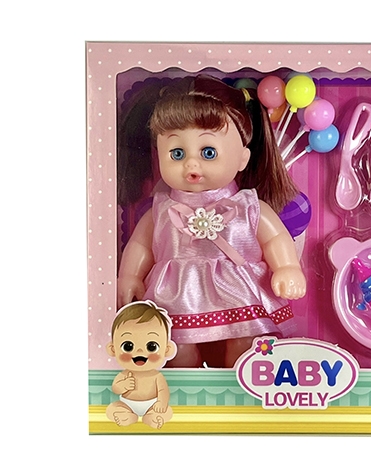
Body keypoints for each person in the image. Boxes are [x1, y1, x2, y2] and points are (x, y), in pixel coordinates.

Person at [116, 75, 306, 368]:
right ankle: (184, 389)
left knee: (247, 341)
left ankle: (242, 383)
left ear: (242, 158)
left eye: (208, 152)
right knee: (174, 346)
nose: (191, 164)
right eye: (177, 153)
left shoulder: (247, 206)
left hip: (238, 291)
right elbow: (140, 245)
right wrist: (129, 276)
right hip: (177, 295)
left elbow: (275, 238)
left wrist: (287, 267)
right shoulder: (162, 210)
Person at [106, 301, 177, 429]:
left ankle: (152, 417)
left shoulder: (157, 376)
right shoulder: (125, 374)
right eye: (128, 346)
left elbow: (163, 391)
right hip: (127, 404)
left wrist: (161, 403)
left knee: (168, 411)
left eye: (151, 346)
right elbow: (115, 388)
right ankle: (127, 416)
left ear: (167, 350)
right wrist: (123, 385)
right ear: (113, 349)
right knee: (112, 408)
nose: (139, 352)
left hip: (152, 405)